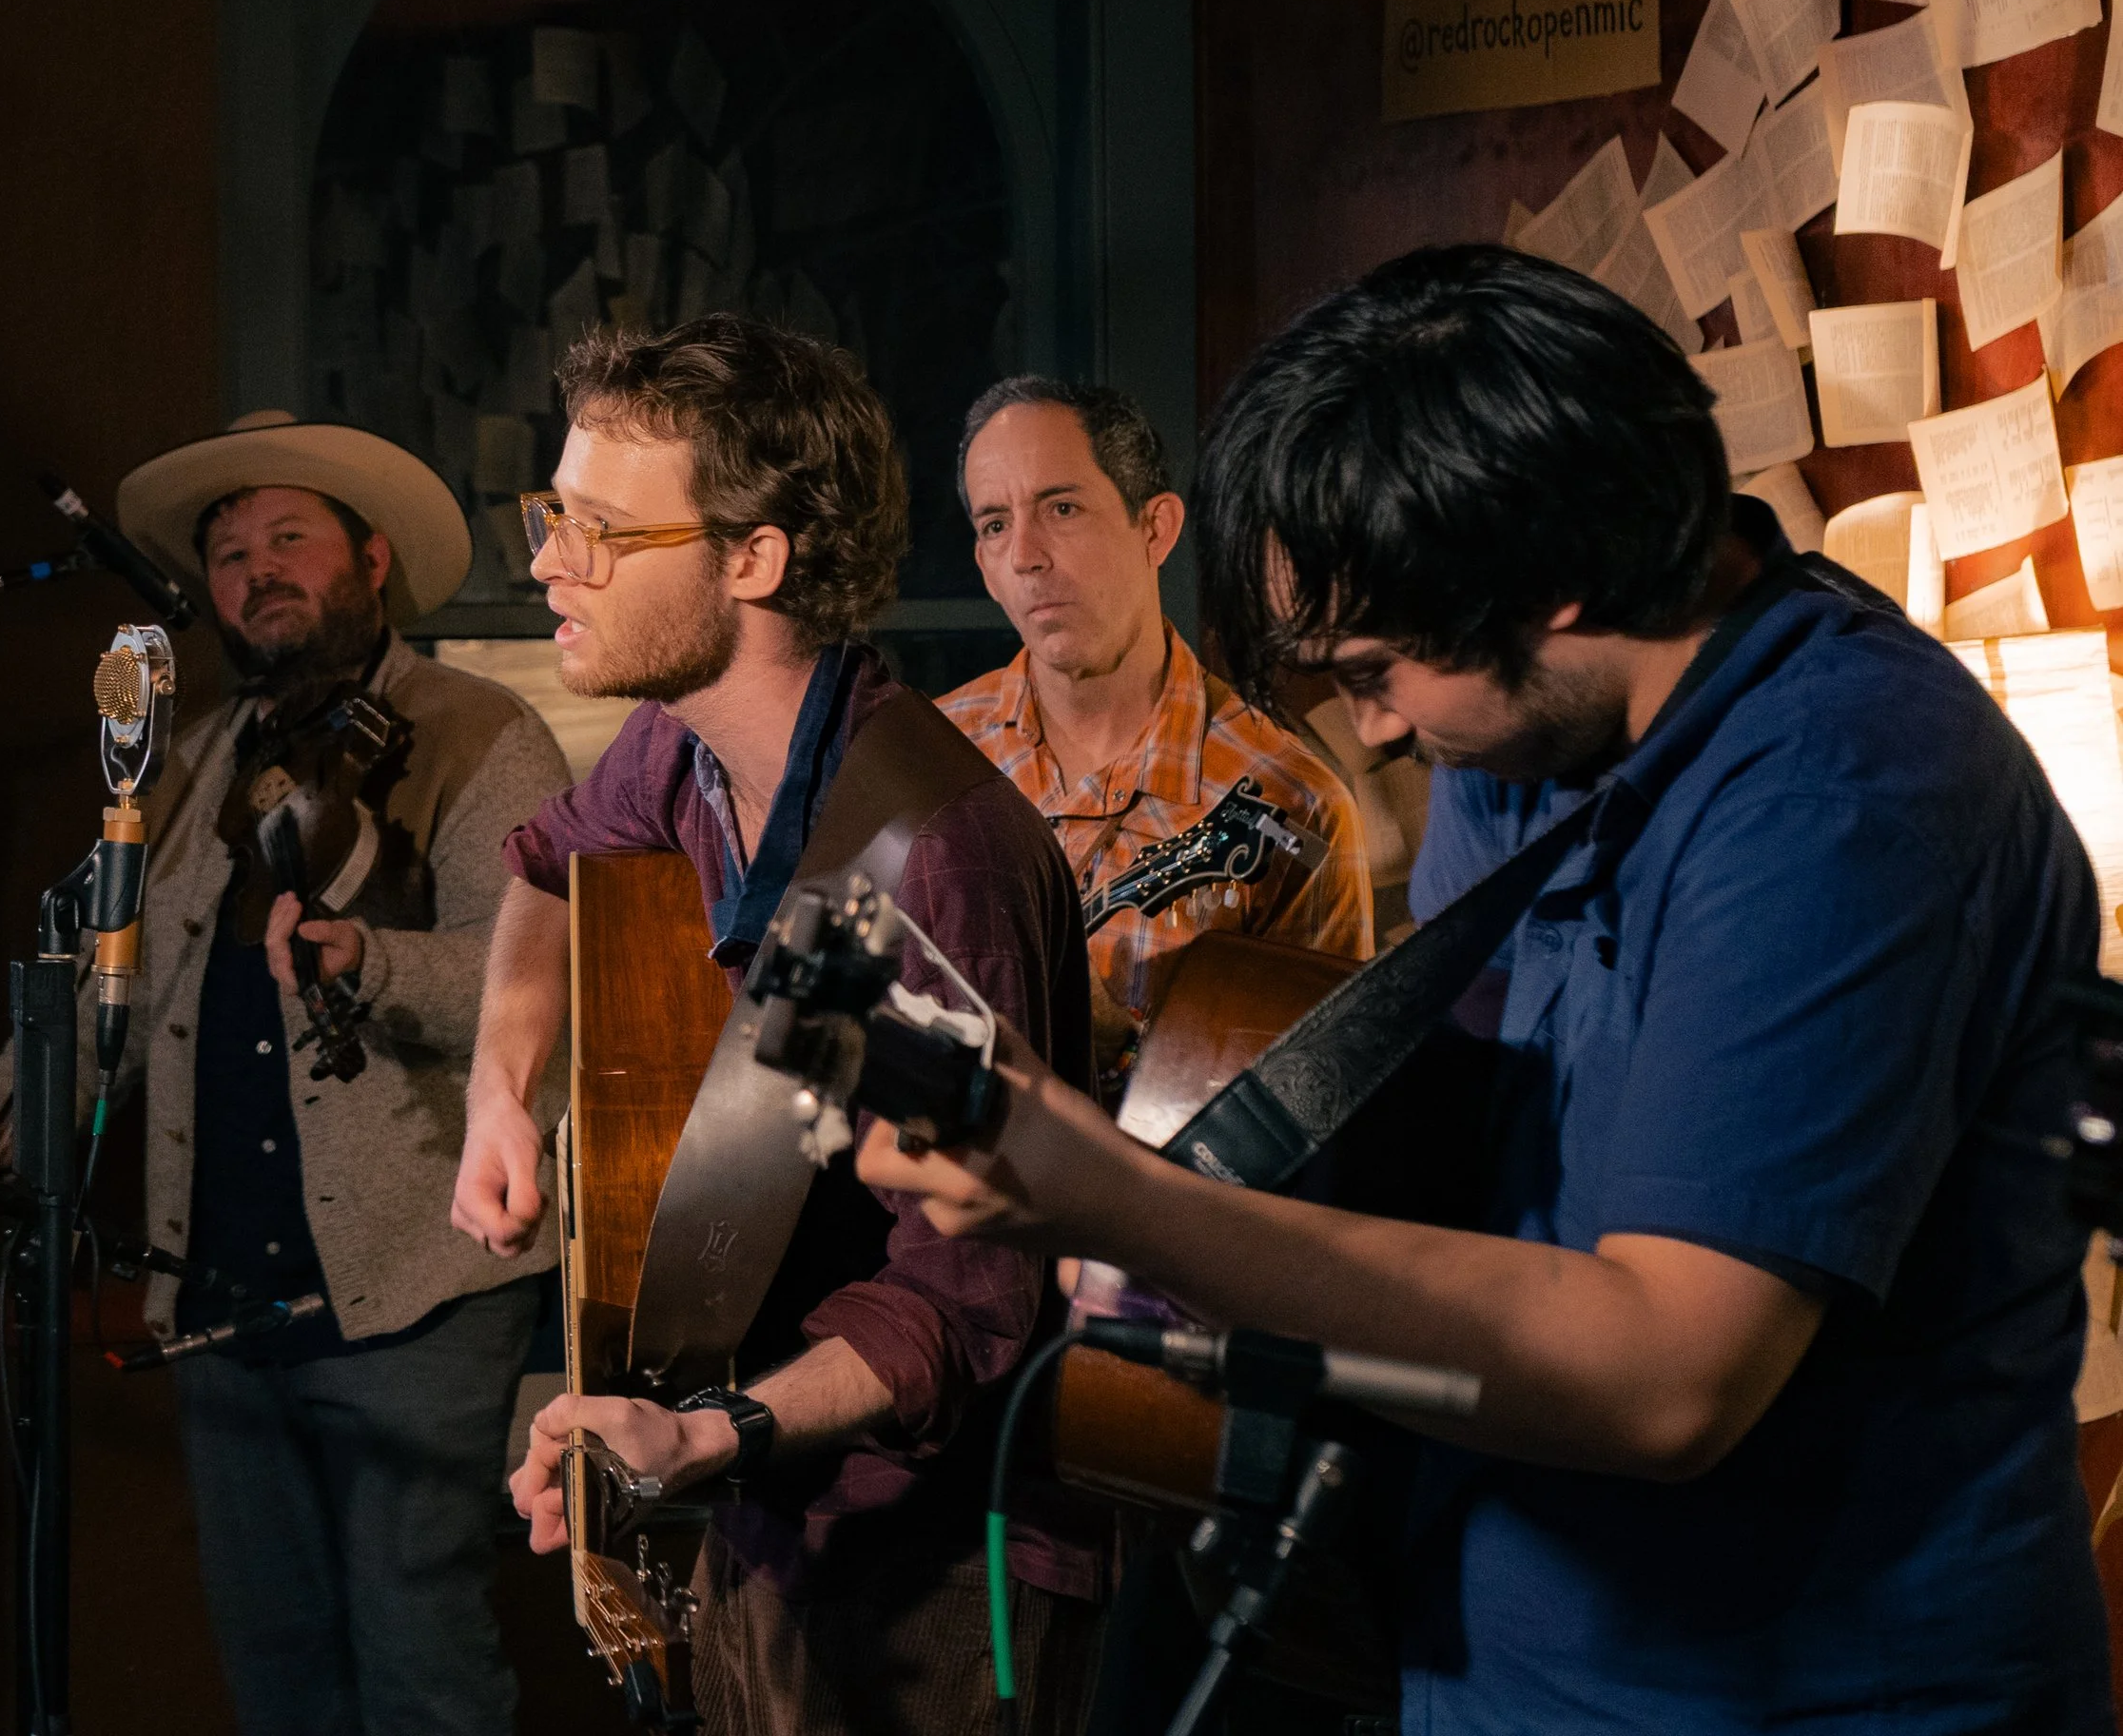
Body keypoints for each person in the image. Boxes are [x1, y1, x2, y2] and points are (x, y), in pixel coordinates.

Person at [857, 245, 2115, 1732]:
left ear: (1558, 579)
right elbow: (1449, 1165)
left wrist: (1122, 1202)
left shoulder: (1843, 796)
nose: (1373, 731)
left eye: (1383, 667)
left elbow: (1667, 1376)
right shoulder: (1524, 739)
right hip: (1492, 1665)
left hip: (1794, 1696)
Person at [451, 314, 1103, 1736]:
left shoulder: (936, 854)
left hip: (933, 1567)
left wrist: (707, 1434)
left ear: (753, 560)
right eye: (554, 513)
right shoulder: (677, 748)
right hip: (759, 1510)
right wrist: (503, 1093)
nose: (549, 559)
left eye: (599, 531)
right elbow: (542, 864)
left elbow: (964, 1305)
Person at [0, 412, 571, 1736]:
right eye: (229, 554)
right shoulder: (191, 761)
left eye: (291, 538)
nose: (257, 571)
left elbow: (535, 979)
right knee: (275, 1669)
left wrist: (372, 964)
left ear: (372, 557)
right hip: (222, 1292)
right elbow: (117, 968)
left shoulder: (478, 732)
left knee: (420, 1662)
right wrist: (2, 1101)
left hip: (415, 1287)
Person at [939, 376, 1371, 1080]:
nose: (1026, 555)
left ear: (1156, 528)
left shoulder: (1297, 803)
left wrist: (1126, 1043)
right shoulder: (931, 756)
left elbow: (1305, 1112)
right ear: (985, 566)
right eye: (995, 525)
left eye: (1062, 508)